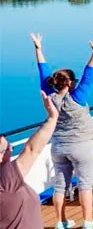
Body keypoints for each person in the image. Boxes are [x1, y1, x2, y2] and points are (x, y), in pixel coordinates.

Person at [30, 33, 93, 229]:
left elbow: (43, 72)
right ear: (71, 83)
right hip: (81, 146)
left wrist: (38, 48)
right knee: (85, 184)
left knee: (60, 185)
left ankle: (61, 221)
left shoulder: (49, 97)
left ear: (55, 83)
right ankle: (88, 221)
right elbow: (90, 73)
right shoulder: (78, 97)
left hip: (58, 146)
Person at [0, 91, 59, 229]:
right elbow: (32, 149)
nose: (11, 149)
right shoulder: (6, 180)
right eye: (8, 148)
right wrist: (53, 117)